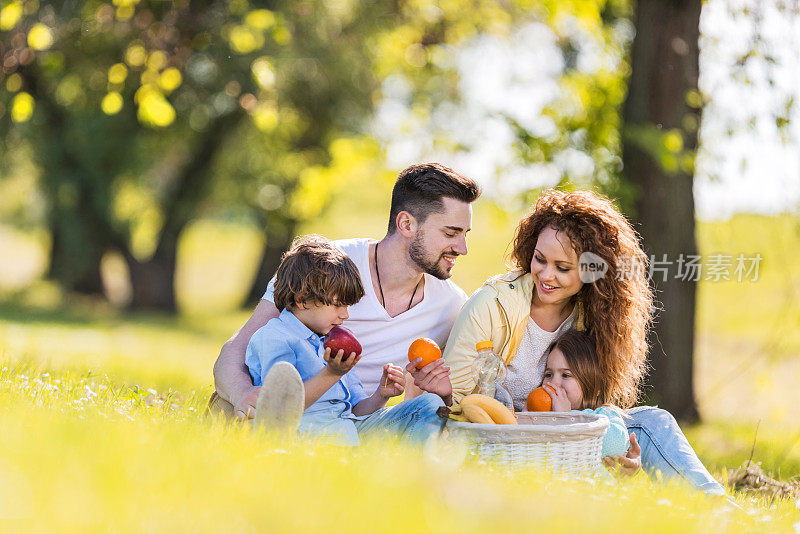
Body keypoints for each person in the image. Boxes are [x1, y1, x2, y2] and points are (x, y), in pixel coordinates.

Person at [442, 188, 726, 495]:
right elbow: (453, 403)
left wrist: (623, 455)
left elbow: (596, 405)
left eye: (563, 268)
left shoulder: (594, 316)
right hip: (506, 441)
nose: (546, 275)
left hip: (572, 436)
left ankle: (718, 511)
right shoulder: (492, 305)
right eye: (540, 259)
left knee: (653, 422)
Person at [211, 163, 478, 421]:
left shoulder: (452, 304)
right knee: (232, 409)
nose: (462, 248)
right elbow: (236, 350)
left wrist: (438, 392)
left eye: (465, 234)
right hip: (283, 408)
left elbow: (453, 398)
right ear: (407, 225)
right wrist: (243, 395)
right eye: (450, 233)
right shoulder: (324, 265)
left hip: (359, 419)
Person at [245, 235, 444, 446]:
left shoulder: (330, 343)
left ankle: (416, 470)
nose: (346, 315)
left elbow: (355, 410)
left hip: (349, 434)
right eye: (338, 305)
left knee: (429, 404)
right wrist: (332, 374)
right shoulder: (275, 337)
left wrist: (380, 395)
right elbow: (279, 408)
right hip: (306, 439)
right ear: (302, 299)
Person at [541, 329, 629, 459]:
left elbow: (614, 446)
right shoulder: (544, 417)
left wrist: (567, 418)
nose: (552, 383)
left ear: (593, 383)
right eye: (549, 374)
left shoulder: (603, 415)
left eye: (566, 375)